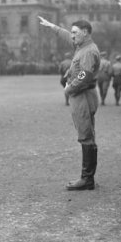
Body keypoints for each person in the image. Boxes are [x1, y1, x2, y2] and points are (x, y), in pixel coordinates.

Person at [39, 16, 100, 190]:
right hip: (82, 96)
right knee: (87, 134)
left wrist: (68, 89)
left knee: (85, 135)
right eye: (72, 33)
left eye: (75, 33)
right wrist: (53, 26)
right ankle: (88, 178)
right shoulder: (83, 46)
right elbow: (67, 36)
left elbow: (84, 76)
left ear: (85, 32)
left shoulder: (87, 51)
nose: (72, 36)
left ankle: (87, 179)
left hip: (82, 96)